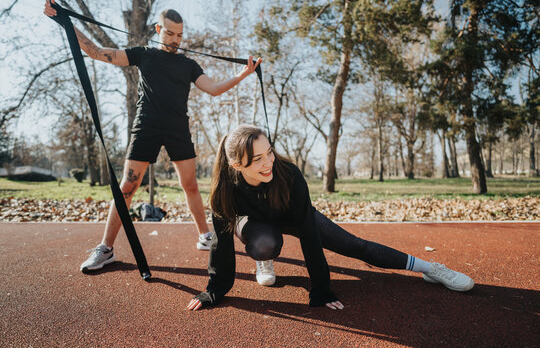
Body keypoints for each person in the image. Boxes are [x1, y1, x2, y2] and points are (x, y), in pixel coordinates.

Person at [43, 0, 262, 272]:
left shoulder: (188, 65)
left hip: (177, 128)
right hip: (146, 126)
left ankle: (205, 236)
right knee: (127, 188)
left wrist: (243, 74)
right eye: (170, 33)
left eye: (180, 35)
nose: (175, 39)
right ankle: (105, 248)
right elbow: (98, 53)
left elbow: (214, 89)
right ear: (158, 28)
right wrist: (66, 22)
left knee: (191, 186)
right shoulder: (143, 54)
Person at [187, 125, 474, 311]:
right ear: (238, 165)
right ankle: (264, 258)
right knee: (265, 243)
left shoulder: (290, 175)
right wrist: (214, 289)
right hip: (253, 224)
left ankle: (431, 268)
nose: (268, 162)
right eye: (258, 159)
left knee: (355, 246)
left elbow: (309, 235)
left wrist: (321, 288)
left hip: (295, 216)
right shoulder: (225, 189)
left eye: (269, 152)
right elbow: (220, 244)